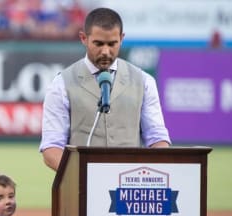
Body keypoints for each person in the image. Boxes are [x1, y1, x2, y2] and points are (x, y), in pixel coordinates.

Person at [39, 7, 171, 171]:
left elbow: (157, 137)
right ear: (83, 38)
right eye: (98, 44)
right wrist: (81, 178)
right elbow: (51, 147)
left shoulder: (144, 81)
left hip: (130, 188)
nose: (106, 51)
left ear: (121, 39)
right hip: (81, 189)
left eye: (112, 44)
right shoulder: (61, 84)